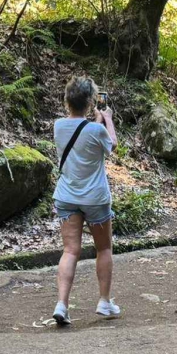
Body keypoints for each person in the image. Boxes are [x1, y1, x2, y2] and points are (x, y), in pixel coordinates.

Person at [52, 75, 119, 326]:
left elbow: (81, 134)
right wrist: (108, 119)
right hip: (95, 198)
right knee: (103, 248)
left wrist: (97, 122)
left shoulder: (58, 126)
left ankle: (62, 305)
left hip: (67, 196)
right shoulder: (97, 129)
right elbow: (111, 144)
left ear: (68, 100)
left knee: (70, 250)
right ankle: (104, 301)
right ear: (91, 101)